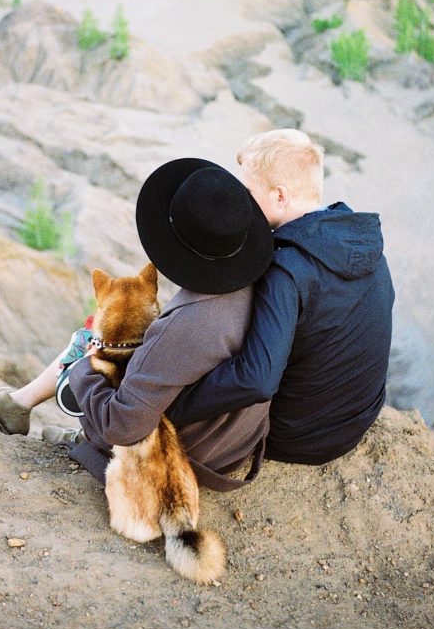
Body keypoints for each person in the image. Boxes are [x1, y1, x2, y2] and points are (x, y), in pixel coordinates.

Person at [0, 159, 275, 492]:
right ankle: (17, 405)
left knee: (92, 343)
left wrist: (86, 367)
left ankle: (44, 418)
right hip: (229, 441)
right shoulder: (261, 284)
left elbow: (123, 425)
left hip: (181, 454)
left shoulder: (186, 326)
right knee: (111, 341)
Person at [167, 129, 395, 465]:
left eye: (247, 192)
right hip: (356, 421)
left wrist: (175, 405)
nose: (239, 202)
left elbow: (257, 379)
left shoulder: (286, 267)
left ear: (279, 196)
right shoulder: (365, 243)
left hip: (298, 438)